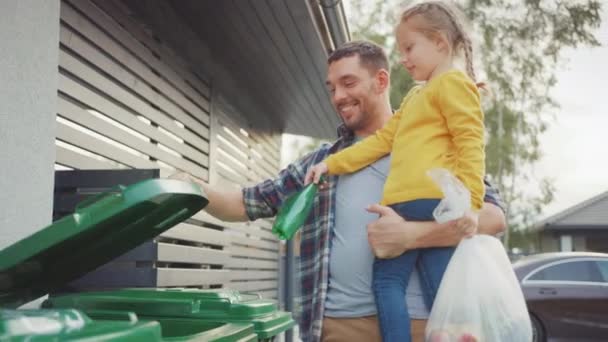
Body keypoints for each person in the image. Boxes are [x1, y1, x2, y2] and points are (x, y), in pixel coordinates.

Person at [174, 40, 505, 342]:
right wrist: (192, 187)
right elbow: (245, 204)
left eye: (348, 83)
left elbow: (491, 218)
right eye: (332, 88)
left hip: (423, 326)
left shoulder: (433, 147)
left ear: (381, 81)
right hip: (339, 327)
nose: (338, 97)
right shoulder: (322, 163)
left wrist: (411, 235)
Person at [305, 2, 485, 341]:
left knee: (388, 281)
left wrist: (472, 204)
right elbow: (381, 141)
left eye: (409, 47)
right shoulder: (417, 96)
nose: (403, 57)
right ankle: (450, 333)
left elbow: (470, 143)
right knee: (439, 284)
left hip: (420, 202)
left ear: (440, 43)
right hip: (418, 205)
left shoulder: (453, 84)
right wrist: (331, 163)